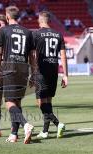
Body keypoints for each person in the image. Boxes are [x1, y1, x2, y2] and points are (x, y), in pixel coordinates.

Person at [0, 6, 35, 144]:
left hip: (10, 67)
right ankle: (13, 134)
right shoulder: (28, 32)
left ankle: (26, 124)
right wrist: (34, 74)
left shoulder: (4, 30)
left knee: (9, 102)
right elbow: (32, 56)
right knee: (17, 101)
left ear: (7, 16)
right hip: (24, 68)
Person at [32, 11, 68, 139]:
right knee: (48, 101)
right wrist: (65, 75)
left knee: (41, 102)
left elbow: (33, 55)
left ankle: (58, 123)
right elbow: (63, 55)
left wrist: (32, 72)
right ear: (49, 20)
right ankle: (45, 131)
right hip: (54, 70)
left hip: (41, 70)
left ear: (40, 20)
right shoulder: (58, 34)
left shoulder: (36, 34)